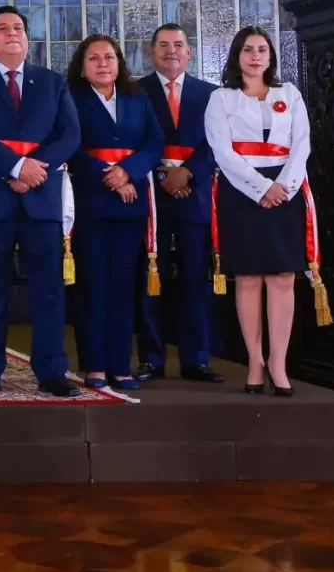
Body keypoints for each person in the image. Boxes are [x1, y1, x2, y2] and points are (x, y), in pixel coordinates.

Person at [0, 5, 82, 397]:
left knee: (48, 291)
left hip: (41, 198)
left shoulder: (52, 81)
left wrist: (34, 171)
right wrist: (15, 167)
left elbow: (69, 135)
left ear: (27, 38)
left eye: (18, 28)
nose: (12, 33)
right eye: (3, 28)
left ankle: (52, 371)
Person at [206, 26, 318, 397]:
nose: (256, 56)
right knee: (249, 277)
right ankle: (254, 361)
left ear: (271, 56)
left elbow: (301, 145)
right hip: (241, 192)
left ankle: (278, 363)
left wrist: (282, 186)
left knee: (282, 276)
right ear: (236, 55)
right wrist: (260, 188)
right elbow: (223, 152)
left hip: (285, 189)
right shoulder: (221, 98)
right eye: (248, 49)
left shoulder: (290, 94)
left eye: (262, 50)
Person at [65, 35, 162, 391]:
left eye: (109, 57)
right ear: (82, 66)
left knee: (123, 288)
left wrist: (128, 172)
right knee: (93, 287)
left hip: (130, 203)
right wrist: (110, 176)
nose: (103, 64)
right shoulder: (70, 98)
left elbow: (154, 142)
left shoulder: (137, 97)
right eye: (94, 58)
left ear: (119, 63)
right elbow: (69, 145)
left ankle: (121, 365)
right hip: (89, 201)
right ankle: (93, 364)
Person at [136, 24, 223, 383]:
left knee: (194, 280)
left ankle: (196, 360)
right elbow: (132, 139)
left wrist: (187, 173)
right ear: (151, 51)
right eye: (163, 45)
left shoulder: (212, 94)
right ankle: (151, 359)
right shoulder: (135, 91)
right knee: (149, 278)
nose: (171, 50)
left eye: (178, 44)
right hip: (150, 199)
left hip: (194, 194)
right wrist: (162, 176)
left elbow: (218, 142)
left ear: (189, 52)